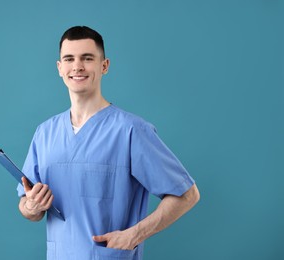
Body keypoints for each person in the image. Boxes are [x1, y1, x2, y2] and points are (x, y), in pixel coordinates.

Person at [17, 25, 200, 260]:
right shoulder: (44, 133)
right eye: (69, 59)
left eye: (87, 58)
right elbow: (27, 207)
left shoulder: (131, 131)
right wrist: (31, 207)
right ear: (59, 68)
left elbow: (187, 194)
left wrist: (136, 234)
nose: (77, 66)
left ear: (104, 66)